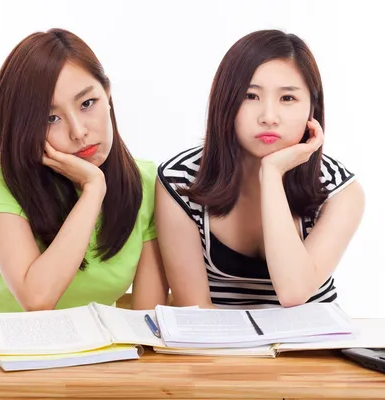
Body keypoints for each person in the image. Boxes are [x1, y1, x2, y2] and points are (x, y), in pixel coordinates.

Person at [155, 29, 365, 309]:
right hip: (217, 349)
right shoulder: (180, 180)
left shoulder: (340, 191)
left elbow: (293, 292)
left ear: (311, 109)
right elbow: (195, 314)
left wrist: (272, 174)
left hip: (312, 349)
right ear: (225, 101)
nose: (268, 117)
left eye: (287, 98)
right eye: (250, 96)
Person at [0, 29, 168, 316]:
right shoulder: (1, 176)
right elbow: (37, 299)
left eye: (87, 103)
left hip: (101, 355)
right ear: (26, 126)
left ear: (107, 94)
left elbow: (148, 322)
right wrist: (93, 188)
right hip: (11, 354)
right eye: (51, 118)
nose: (78, 132)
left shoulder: (146, 183)